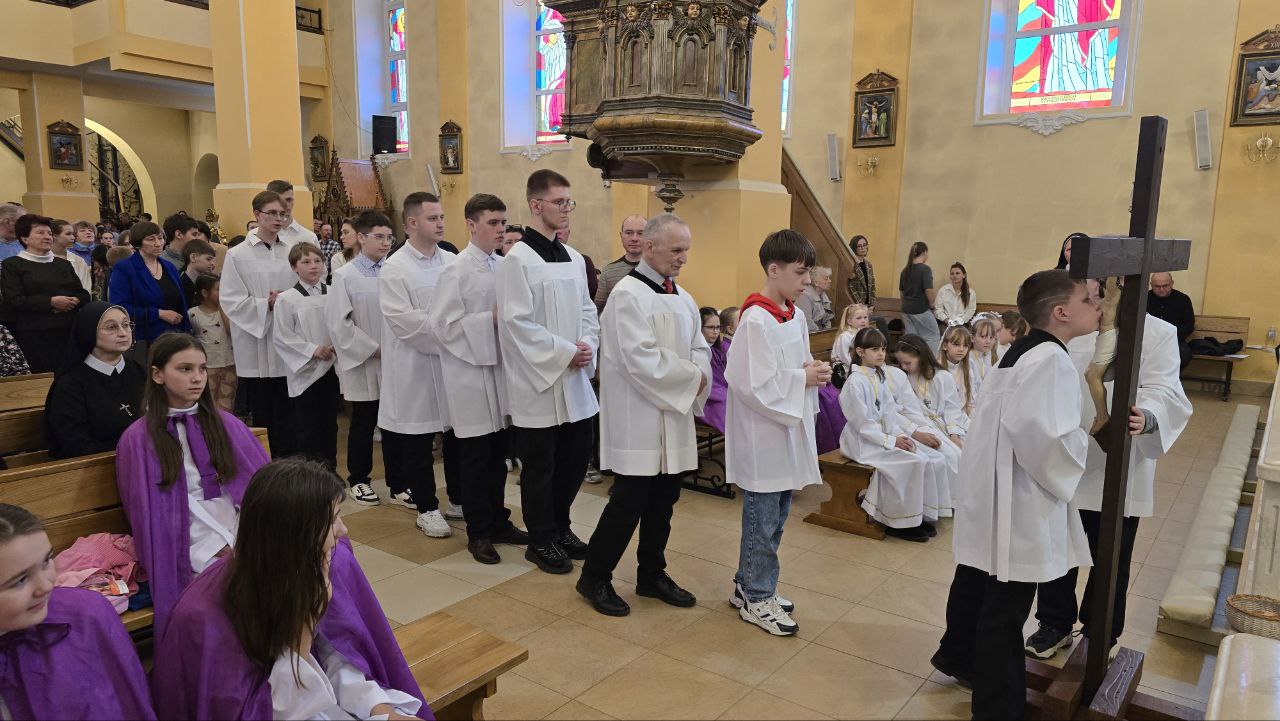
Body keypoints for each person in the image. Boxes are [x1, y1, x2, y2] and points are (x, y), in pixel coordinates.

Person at [933, 269, 1099, 719]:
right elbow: (1042, 437)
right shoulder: (1051, 359)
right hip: (1019, 498)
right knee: (1005, 611)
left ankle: (960, 658)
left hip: (995, 487)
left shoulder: (1023, 351)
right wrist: (1084, 437)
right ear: (1061, 312)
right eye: (1087, 299)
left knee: (981, 588)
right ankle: (997, 709)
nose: (1096, 306)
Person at [150, 459, 427, 720]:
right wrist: (304, 629)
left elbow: (333, 653)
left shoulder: (302, 565)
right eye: (333, 519)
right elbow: (267, 710)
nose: (343, 530)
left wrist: (379, 709)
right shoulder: (205, 616)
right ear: (296, 533)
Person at [1025, 302, 1192, 660]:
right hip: (1069, 456)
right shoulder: (1075, 325)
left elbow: (1165, 388)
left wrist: (1148, 415)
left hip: (1121, 461)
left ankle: (1100, 632)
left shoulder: (1158, 332)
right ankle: (1054, 623)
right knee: (1060, 545)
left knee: (1112, 555)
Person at [579, 214, 711, 617]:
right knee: (628, 503)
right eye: (677, 250)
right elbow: (641, 361)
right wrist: (693, 377)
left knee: (664, 501)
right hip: (639, 417)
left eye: (686, 249)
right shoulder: (627, 296)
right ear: (650, 247)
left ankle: (651, 574)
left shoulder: (683, 297)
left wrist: (699, 372)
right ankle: (594, 577)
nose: (683, 257)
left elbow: (701, 347)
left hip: (673, 417)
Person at [114, 333, 272, 638]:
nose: (197, 378)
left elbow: (258, 487)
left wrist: (244, 537)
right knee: (238, 585)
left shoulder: (226, 423)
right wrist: (218, 544)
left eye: (202, 368)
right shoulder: (138, 438)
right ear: (157, 375)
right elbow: (152, 513)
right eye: (185, 369)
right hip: (186, 540)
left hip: (240, 524)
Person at [726, 229, 831, 636]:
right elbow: (749, 383)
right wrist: (802, 378)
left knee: (778, 514)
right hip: (763, 433)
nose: (807, 280)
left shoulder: (794, 314)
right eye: (800, 272)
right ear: (774, 269)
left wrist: (811, 370)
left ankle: (747, 583)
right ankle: (757, 597)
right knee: (763, 519)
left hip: (787, 429)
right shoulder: (755, 319)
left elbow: (797, 363)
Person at [497, 170, 599, 574]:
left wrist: (587, 345)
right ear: (536, 205)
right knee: (540, 467)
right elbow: (515, 323)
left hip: (574, 379)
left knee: (574, 460)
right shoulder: (517, 260)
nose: (566, 208)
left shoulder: (573, 258)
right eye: (559, 201)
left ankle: (561, 526)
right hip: (537, 382)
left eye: (569, 201)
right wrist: (564, 352)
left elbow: (588, 310)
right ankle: (540, 539)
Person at [430, 194, 530, 564]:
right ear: (472, 225)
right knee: (475, 458)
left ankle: (499, 521)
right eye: (493, 223)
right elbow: (441, 325)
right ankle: (478, 532)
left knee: (498, 455)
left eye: (503, 222)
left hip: (500, 372)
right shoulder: (455, 271)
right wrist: (489, 319)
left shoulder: (505, 266)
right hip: (469, 376)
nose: (501, 229)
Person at [0, 503, 157, 720]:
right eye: (20, 580)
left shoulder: (87, 614)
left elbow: (129, 699)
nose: (45, 586)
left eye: (46, 561)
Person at [378, 192, 462, 538]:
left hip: (452, 365)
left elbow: (464, 305)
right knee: (418, 440)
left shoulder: (452, 261)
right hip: (413, 365)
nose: (441, 223)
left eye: (442, 217)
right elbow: (404, 321)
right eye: (432, 218)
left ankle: (459, 499)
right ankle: (427, 508)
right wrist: (452, 331)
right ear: (411, 223)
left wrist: (457, 329)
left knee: (456, 436)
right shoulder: (395, 267)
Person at [841, 328, 947, 542]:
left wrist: (899, 436)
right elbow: (863, 424)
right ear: (860, 352)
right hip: (862, 443)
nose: (881, 354)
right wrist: (891, 441)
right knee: (911, 463)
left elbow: (889, 413)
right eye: (874, 349)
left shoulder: (878, 376)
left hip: (884, 437)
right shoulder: (854, 382)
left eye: (883, 349)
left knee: (923, 458)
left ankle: (915, 516)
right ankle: (896, 521)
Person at [220, 190, 301, 459]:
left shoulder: (291, 251)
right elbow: (231, 299)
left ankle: (290, 463)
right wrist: (266, 304)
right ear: (257, 214)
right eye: (272, 213)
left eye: (282, 214)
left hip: (287, 337)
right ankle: (266, 464)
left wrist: (289, 299)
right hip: (255, 339)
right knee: (263, 410)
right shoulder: (237, 254)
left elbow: (302, 289)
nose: (278, 219)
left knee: (289, 411)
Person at [328, 212, 390, 507]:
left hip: (395, 360)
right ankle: (359, 479)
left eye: (389, 237)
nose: (386, 242)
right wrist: (373, 348)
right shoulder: (345, 275)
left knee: (394, 423)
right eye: (379, 237)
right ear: (362, 238)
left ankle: (399, 481)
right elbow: (339, 323)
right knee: (364, 422)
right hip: (365, 360)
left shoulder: (394, 271)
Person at [44, 302, 144, 459]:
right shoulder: (70, 384)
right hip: (95, 467)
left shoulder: (139, 371)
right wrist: (131, 453)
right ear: (88, 331)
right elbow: (76, 445)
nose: (123, 333)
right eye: (111, 327)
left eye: (126, 325)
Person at [273, 242, 340, 471]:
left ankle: (330, 470)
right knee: (307, 425)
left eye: (318, 261)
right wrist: (313, 349)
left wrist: (337, 346)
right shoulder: (287, 299)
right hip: (305, 370)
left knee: (330, 423)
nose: (313, 266)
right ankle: (310, 474)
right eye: (306, 262)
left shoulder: (334, 293)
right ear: (294, 267)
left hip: (332, 366)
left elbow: (344, 324)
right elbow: (282, 336)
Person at [1, 214, 89, 372]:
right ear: (25, 238)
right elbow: (14, 300)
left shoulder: (63, 264)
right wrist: (51, 302)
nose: (48, 237)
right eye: (40, 233)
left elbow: (83, 295)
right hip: (34, 335)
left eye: (49, 233)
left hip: (68, 331)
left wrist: (72, 301)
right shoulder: (13, 265)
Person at [108, 221, 191, 348]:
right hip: (146, 338)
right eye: (150, 239)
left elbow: (181, 303)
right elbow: (120, 308)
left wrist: (187, 332)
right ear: (138, 243)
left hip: (176, 335)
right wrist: (158, 313)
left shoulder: (169, 266)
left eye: (160, 238)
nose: (158, 243)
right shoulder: (124, 268)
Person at [188, 273, 238, 412]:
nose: (223, 292)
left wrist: (223, 307)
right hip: (207, 366)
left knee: (226, 403)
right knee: (208, 403)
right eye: (218, 289)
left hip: (229, 363)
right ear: (205, 293)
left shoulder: (227, 312)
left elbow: (231, 331)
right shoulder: (193, 313)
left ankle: (225, 425)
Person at [593, 214, 647, 312]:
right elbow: (598, 310)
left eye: (640, 233)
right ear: (621, 236)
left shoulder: (658, 270)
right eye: (629, 233)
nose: (634, 238)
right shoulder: (609, 271)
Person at [1147, 272, 1195, 369]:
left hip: (1175, 339)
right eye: (1157, 286)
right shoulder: (1144, 298)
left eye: (1165, 286)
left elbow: (1189, 325)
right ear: (1151, 285)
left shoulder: (1183, 299)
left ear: (1172, 283)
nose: (1161, 289)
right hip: (1149, 339)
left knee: (1184, 354)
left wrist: (1172, 337)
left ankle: (1171, 377)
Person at [899, 241, 939, 351]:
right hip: (920, 309)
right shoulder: (925, 269)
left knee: (912, 339)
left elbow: (901, 292)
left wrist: (907, 304)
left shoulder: (905, 270)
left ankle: (910, 360)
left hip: (906, 310)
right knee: (933, 336)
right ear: (925, 253)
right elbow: (928, 290)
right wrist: (932, 305)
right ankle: (930, 361)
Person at [694, 306, 727, 433]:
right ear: (699, 327)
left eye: (718, 327)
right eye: (711, 327)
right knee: (727, 404)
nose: (716, 332)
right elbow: (706, 386)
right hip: (707, 403)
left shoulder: (718, 351)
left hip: (721, 394)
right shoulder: (695, 353)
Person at [267, 179, 320, 247]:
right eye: (279, 200)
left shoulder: (309, 238)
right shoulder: (257, 237)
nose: (286, 205)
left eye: (288, 199)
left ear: (293, 201)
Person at [938, 325, 976, 416]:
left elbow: (970, 402)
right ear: (945, 346)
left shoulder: (967, 370)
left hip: (963, 417)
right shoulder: (936, 370)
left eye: (965, 346)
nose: (961, 349)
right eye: (956, 344)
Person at [50, 220, 91, 292]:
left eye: (73, 234)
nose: (73, 237)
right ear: (55, 236)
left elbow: (86, 288)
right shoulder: (42, 258)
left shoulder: (79, 261)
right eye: (68, 234)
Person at [934, 262, 977, 327]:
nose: (954, 276)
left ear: (964, 275)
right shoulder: (943, 290)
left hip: (962, 324)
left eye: (957, 273)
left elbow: (971, 310)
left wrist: (960, 321)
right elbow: (938, 309)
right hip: (945, 323)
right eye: (952, 274)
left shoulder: (971, 293)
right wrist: (946, 320)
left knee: (960, 333)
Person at [969, 315, 1001, 401]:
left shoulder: (990, 355)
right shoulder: (969, 358)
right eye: (983, 337)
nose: (988, 341)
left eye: (991, 337)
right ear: (972, 338)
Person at [179, 238, 217, 308]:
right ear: (193, 257)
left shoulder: (207, 282)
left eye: (213, 260)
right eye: (208, 259)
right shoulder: (179, 283)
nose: (213, 264)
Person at [797, 266, 835, 332]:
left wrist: (827, 332)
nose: (830, 281)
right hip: (810, 334)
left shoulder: (823, 294)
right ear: (816, 282)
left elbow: (827, 319)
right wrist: (821, 335)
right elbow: (807, 322)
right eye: (826, 279)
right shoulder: (804, 296)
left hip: (821, 333)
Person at [831, 303, 870, 367]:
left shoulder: (864, 333)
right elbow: (844, 358)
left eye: (865, 317)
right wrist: (859, 368)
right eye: (858, 318)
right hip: (845, 368)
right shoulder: (844, 336)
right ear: (849, 321)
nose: (863, 321)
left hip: (861, 366)